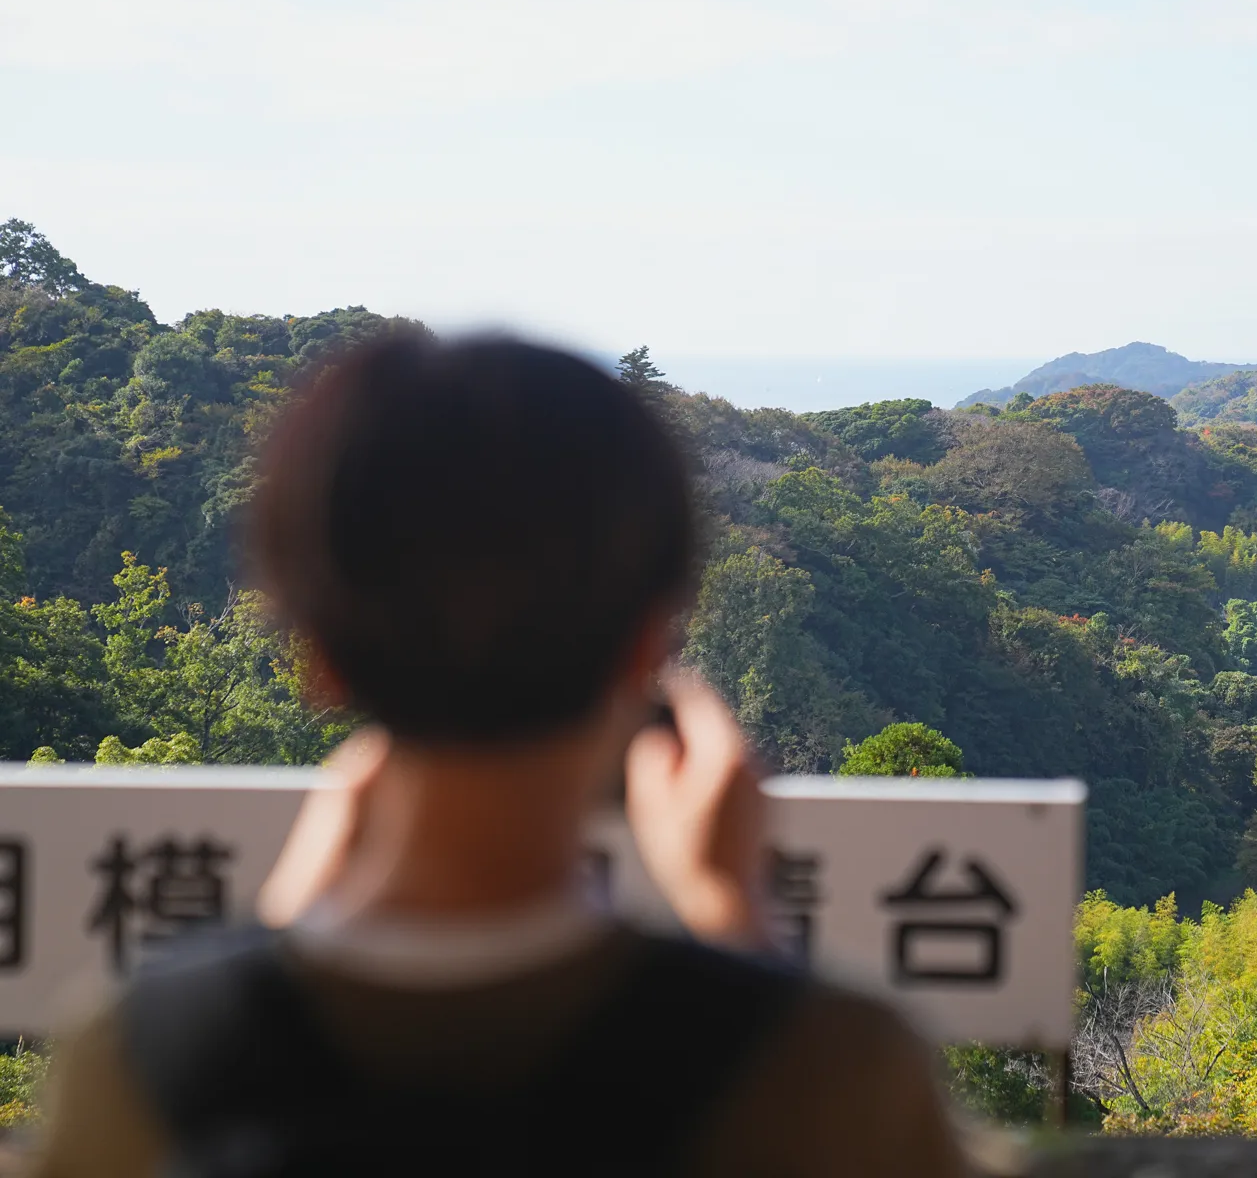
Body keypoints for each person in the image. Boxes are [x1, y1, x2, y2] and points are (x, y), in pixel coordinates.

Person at [31, 337, 970, 1177]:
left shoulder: (138, 1053)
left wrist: (265, 955)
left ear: (317, 656)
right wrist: (734, 916)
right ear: (649, 647)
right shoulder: (837, 1067)